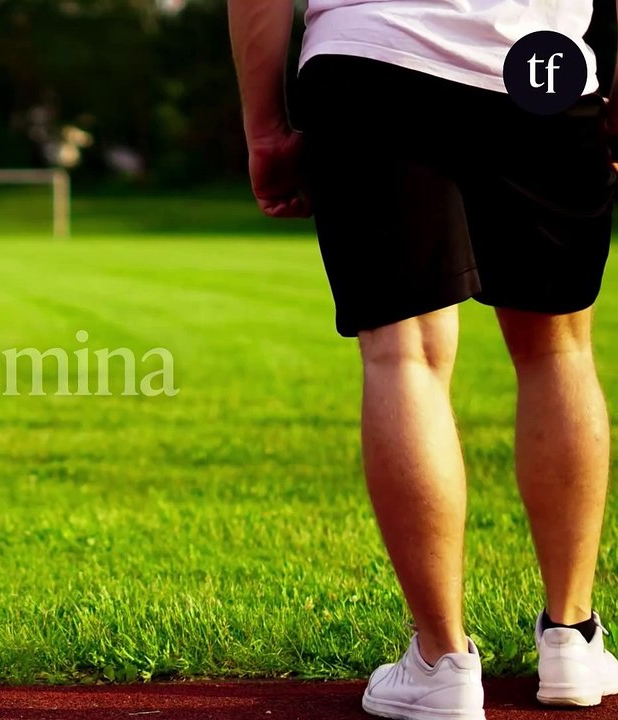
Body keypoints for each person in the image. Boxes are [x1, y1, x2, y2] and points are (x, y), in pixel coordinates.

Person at [227, 1, 618, 717]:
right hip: (540, 64)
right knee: (558, 347)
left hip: (377, 62)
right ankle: (572, 637)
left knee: (405, 358)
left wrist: (264, 128)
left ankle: (442, 663)